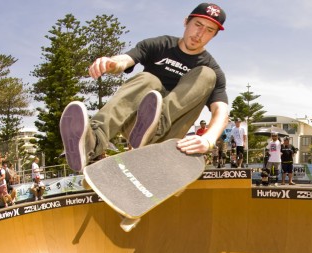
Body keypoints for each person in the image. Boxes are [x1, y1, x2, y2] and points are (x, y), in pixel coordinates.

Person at [59, 3, 229, 172]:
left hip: (169, 132)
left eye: (209, 30)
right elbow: (127, 59)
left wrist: (209, 139)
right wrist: (112, 63)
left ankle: (155, 128)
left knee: (206, 75)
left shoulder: (212, 68)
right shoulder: (160, 45)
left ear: (213, 35)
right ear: (186, 22)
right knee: (149, 79)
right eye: (197, 25)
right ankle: (92, 142)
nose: (199, 34)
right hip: (136, 127)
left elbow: (221, 111)